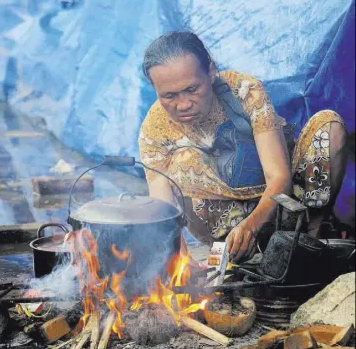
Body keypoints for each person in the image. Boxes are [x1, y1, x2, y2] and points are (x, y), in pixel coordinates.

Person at [139, 31, 349, 263]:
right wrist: (182, 262)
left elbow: (279, 177)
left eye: (192, 89)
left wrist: (252, 225)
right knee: (182, 161)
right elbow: (164, 211)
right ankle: (235, 252)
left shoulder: (243, 91)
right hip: (226, 222)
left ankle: (310, 237)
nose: (184, 104)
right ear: (154, 88)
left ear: (210, 71)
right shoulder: (154, 130)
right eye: (169, 95)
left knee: (330, 126)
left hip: (283, 202)